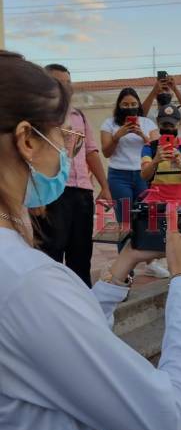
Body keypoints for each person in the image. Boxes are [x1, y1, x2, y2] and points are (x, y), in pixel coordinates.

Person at [0, 50, 181, 430]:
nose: (70, 144)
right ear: (27, 141)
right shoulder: (29, 279)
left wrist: (121, 269)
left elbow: (47, 340)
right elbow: (170, 424)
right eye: (61, 132)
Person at [31, 63, 112, 288]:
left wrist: (104, 186)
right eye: (59, 82)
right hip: (51, 192)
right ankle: (51, 299)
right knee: (51, 251)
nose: (66, 87)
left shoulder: (79, 117)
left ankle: (82, 298)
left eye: (69, 83)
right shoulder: (36, 117)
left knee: (81, 251)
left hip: (82, 192)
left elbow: (91, 152)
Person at [100, 87, 169, 279]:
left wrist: (143, 136)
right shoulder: (109, 124)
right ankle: (126, 270)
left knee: (146, 220)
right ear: (119, 106)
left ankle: (150, 263)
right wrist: (117, 135)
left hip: (143, 176)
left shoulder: (147, 123)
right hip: (118, 176)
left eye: (133, 104)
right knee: (125, 222)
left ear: (138, 105)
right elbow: (106, 152)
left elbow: (157, 150)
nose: (129, 108)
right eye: (125, 104)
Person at [141, 104, 181, 205]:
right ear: (158, 123)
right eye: (164, 125)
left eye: (172, 125)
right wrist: (155, 161)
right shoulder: (149, 147)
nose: (168, 129)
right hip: (157, 204)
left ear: (179, 124)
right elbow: (145, 176)